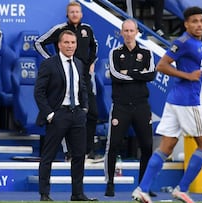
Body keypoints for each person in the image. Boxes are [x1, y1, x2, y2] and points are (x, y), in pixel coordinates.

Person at [132, 7, 202, 203]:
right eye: (195, 21)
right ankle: (181, 189)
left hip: (176, 100)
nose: (199, 24)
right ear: (186, 24)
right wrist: (186, 76)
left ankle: (142, 189)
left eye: (201, 21)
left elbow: (198, 75)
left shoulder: (198, 44)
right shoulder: (183, 42)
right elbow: (162, 65)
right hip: (188, 101)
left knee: (167, 146)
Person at [34, 30, 97, 202]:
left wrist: (84, 108)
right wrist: (50, 115)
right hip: (58, 114)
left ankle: (77, 193)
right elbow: (39, 92)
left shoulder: (78, 63)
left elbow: (82, 87)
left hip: (77, 114)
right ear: (59, 45)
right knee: (48, 155)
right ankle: (44, 194)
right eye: (67, 43)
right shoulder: (49, 64)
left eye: (73, 43)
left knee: (79, 155)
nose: (70, 46)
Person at [35, 2, 99, 162]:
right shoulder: (59, 30)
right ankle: (69, 152)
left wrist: (90, 62)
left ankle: (87, 151)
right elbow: (38, 43)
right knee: (63, 115)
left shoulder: (88, 30)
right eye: (72, 12)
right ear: (67, 14)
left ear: (81, 14)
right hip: (62, 78)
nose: (75, 14)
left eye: (77, 11)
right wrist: (53, 62)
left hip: (82, 76)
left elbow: (95, 46)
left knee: (92, 113)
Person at [104, 19, 155, 197]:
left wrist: (131, 73)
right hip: (121, 106)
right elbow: (115, 75)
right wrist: (138, 75)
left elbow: (151, 75)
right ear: (121, 33)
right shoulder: (115, 53)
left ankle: (144, 186)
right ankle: (110, 183)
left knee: (148, 146)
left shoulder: (147, 52)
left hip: (141, 105)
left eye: (131, 30)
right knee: (114, 145)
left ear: (136, 32)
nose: (128, 34)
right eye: (125, 31)